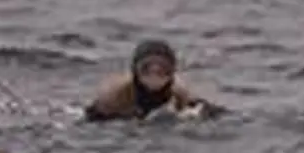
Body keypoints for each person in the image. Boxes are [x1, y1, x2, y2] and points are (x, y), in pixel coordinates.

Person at [84, 39, 220, 123]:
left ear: (172, 72)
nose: (154, 76)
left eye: (163, 70)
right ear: (135, 71)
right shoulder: (113, 96)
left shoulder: (180, 93)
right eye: (146, 69)